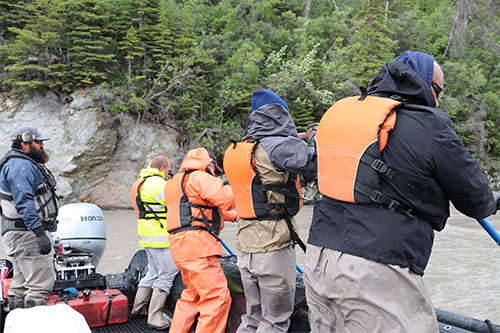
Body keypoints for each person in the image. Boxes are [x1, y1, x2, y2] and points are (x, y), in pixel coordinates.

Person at [304, 50, 500, 332]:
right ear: (427, 88)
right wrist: (492, 201)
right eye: (440, 92)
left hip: (318, 256)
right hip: (375, 269)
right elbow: (477, 200)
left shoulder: (343, 114)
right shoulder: (431, 125)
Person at [223, 89, 316, 332]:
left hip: (245, 247)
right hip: (272, 248)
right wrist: (315, 136)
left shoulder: (238, 150)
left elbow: (270, 184)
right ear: (281, 115)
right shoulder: (278, 146)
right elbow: (316, 164)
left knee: (252, 318)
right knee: (275, 321)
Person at [164, 147, 237, 333]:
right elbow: (227, 198)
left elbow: (199, 209)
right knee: (216, 298)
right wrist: (241, 184)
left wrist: (234, 216)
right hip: (199, 248)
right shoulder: (200, 177)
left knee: (192, 297)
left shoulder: (175, 182)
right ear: (209, 165)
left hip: (180, 249)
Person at [0, 125, 59, 309]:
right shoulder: (20, 165)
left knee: (20, 285)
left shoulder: (16, 163)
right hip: (27, 234)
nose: (42, 145)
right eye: (38, 141)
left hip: (17, 232)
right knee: (39, 287)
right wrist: (39, 233)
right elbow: (24, 203)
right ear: (25, 143)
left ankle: (13, 324)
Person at [129, 155, 179, 330]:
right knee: (167, 274)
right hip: (161, 236)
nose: (168, 174)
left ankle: (138, 307)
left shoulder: (139, 182)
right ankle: (155, 317)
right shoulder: (157, 183)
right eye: (168, 170)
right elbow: (174, 202)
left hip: (146, 235)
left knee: (152, 272)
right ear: (162, 169)